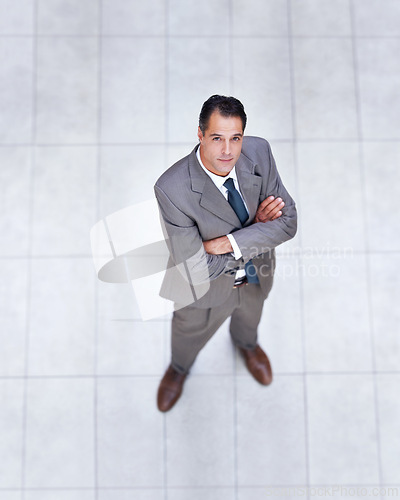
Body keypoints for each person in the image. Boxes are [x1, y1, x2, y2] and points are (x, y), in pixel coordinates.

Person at [154, 95, 297, 412]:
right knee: (187, 332)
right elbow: (195, 268)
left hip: (256, 273)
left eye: (236, 138)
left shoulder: (259, 152)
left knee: (251, 315)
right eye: (217, 138)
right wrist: (257, 229)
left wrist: (227, 243)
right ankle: (179, 368)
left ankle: (246, 345)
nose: (228, 151)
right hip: (202, 290)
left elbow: (288, 223)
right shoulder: (172, 189)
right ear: (201, 135)